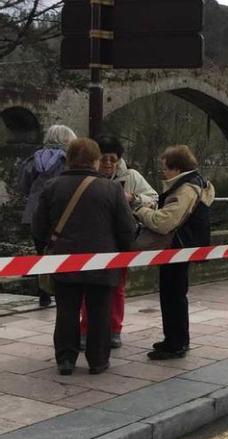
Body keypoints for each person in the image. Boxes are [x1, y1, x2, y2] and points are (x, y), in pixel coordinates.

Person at [32, 138, 137, 375]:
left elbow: (38, 228)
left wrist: (50, 246)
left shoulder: (52, 186)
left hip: (64, 260)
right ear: (96, 160)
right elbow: (127, 230)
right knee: (100, 310)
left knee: (67, 310)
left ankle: (66, 360)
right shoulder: (112, 189)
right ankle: (98, 361)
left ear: (68, 159)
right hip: (103, 262)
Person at [78, 135, 159, 350]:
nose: (107, 164)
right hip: (91, 240)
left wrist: (133, 199)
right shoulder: (87, 177)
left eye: (112, 159)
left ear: (119, 160)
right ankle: (86, 329)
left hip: (120, 240)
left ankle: (114, 330)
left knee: (117, 288)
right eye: (103, 159)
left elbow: (154, 198)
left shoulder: (130, 176)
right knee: (88, 287)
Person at [134, 146, 215, 360]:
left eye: (166, 168)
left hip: (177, 247)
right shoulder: (197, 184)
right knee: (173, 293)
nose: (163, 173)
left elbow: (164, 222)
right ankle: (175, 338)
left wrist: (139, 210)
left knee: (173, 294)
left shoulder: (185, 189)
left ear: (177, 168)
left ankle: (176, 343)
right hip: (184, 247)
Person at [18, 125, 77, 307]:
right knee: (59, 251)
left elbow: (24, 185)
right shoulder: (68, 161)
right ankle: (60, 289)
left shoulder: (33, 160)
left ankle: (43, 293)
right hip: (60, 212)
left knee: (40, 251)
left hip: (34, 212)